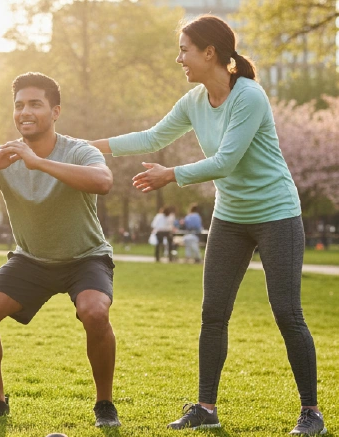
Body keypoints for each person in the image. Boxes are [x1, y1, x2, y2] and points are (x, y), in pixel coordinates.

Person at [89, 15, 325, 435]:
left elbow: (226, 161)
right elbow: (150, 138)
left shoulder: (248, 97)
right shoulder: (195, 101)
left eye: (184, 49)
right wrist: (89, 147)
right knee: (212, 313)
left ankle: (311, 413)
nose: (179, 58)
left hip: (276, 214)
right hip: (231, 217)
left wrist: (171, 174)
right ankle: (206, 407)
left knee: (288, 312)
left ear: (209, 52)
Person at [0, 72, 120, 428]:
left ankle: (105, 405)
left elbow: (104, 181)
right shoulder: (1, 156)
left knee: (95, 312)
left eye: (35, 104)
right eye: (19, 105)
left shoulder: (78, 149)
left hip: (86, 257)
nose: (25, 112)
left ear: (55, 111)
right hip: (30, 260)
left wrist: (38, 162)